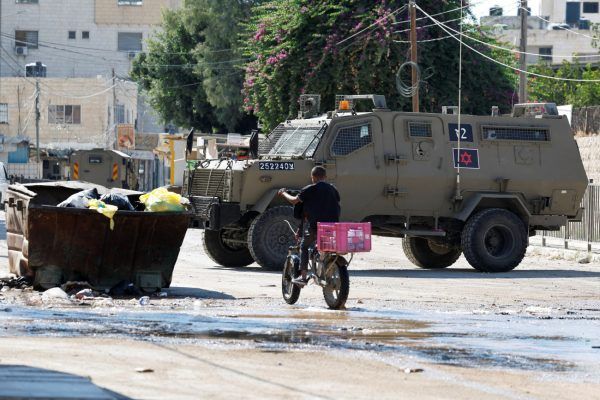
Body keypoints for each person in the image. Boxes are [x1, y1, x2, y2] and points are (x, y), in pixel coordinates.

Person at [278, 166, 340, 286]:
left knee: (304, 246)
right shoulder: (333, 189)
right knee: (321, 245)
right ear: (325, 177)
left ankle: (303, 276)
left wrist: (283, 193)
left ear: (312, 177)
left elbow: (294, 200)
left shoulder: (310, 189)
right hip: (333, 226)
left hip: (316, 227)